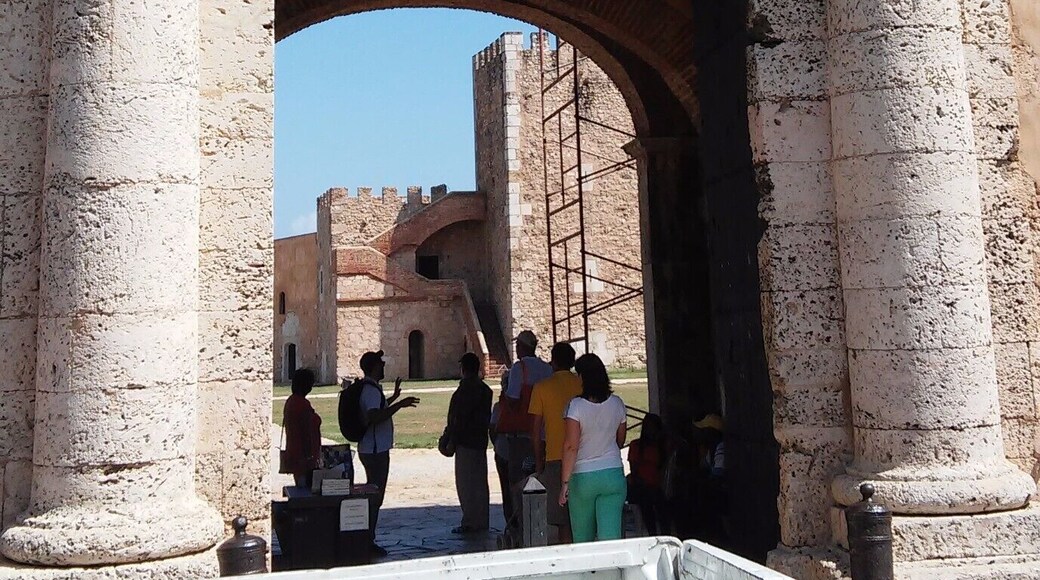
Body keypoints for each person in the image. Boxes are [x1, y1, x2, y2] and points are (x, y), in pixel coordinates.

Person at [354, 350, 420, 557]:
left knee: (374, 494)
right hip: (375, 449)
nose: (383, 366)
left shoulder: (370, 389)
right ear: (374, 367)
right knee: (375, 496)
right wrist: (400, 404)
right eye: (380, 364)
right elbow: (374, 416)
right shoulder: (371, 390)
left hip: (371, 447)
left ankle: (367, 537)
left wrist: (394, 398)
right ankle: (367, 539)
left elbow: (378, 409)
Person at [559, 353, 627, 543]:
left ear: (582, 377)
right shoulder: (618, 403)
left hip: (583, 477)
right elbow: (620, 440)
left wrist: (564, 483)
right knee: (610, 538)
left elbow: (571, 446)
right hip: (613, 473)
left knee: (583, 540)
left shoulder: (576, 406)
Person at [529, 342, 582, 543]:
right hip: (582, 456)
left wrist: (538, 460)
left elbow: (535, 430)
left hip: (555, 457)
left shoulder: (542, 388)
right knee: (581, 516)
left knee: (562, 519)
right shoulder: (581, 384)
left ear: (553, 362)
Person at [499, 330, 553, 499]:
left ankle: (521, 522)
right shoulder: (547, 368)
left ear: (521, 347)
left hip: (522, 433)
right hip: (543, 432)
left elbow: (513, 400)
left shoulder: (519, 368)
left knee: (519, 481)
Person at [446, 353, 493, 534]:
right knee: (480, 483)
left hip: (465, 442)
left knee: (466, 484)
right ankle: (481, 520)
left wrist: (451, 439)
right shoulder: (484, 390)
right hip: (480, 440)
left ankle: (470, 521)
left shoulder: (464, 391)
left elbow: (458, 419)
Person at [626, 413, 668, 535]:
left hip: (655, 486)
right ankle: (652, 533)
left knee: (661, 503)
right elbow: (633, 471)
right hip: (638, 486)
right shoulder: (635, 445)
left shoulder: (661, 447)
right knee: (646, 500)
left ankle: (665, 534)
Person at [282, 368, 321, 489]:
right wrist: (309, 457)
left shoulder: (292, 401)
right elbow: (306, 432)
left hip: (296, 454)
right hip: (303, 459)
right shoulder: (301, 404)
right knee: (306, 491)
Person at [489, 372, 514, 528]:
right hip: (518, 449)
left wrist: (497, 445)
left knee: (507, 489)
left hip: (503, 450)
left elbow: (492, 429)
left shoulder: (499, 406)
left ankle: (510, 522)